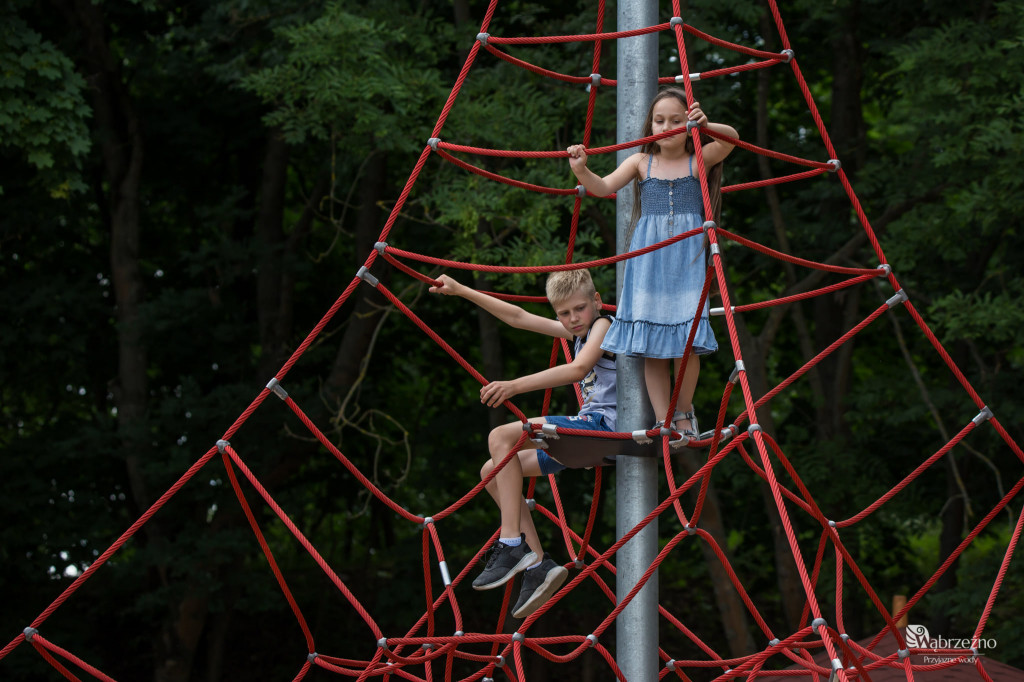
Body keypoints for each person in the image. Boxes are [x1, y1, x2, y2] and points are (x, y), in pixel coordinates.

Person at [428, 269, 615, 619]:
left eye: (579, 309)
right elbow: (518, 317)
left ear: (596, 302)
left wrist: (513, 385)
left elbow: (579, 369)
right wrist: (462, 289)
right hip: (589, 433)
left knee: (500, 436)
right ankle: (537, 565)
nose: (573, 319)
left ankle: (511, 542)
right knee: (492, 471)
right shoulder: (578, 331)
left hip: (602, 428)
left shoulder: (604, 325)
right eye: (564, 313)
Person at [567, 88, 738, 443]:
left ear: (688, 122)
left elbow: (731, 140)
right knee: (652, 347)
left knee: (686, 344)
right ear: (650, 125)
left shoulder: (697, 160)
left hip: (686, 261)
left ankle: (683, 412)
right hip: (649, 261)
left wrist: (706, 125)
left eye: (676, 120)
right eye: (659, 120)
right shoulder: (640, 162)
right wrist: (581, 169)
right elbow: (602, 187)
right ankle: (664, 422)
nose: (667, 127)